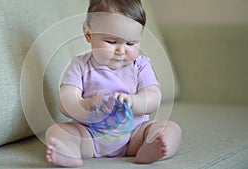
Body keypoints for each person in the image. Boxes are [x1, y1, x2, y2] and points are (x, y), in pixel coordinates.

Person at [45, 0, 182, 167]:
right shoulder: (79, 66)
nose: (121, 50)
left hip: (134, 136)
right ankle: (69, 151)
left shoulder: (140, 65)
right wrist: (87, 104)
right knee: (57, 131)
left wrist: (133, 101)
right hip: (90, 136)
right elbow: (65, 101)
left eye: (131, 43)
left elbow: (153, 98)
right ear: (88, 34)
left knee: (171, 128)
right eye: (111, 41)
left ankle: (151, 146)